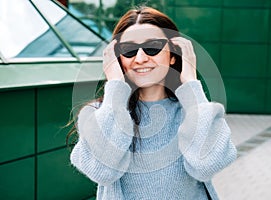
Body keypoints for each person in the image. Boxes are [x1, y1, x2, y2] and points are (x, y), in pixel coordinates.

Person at [69, 6, 236, 200]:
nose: (140, 58)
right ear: (117, 58)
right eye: (129, 50)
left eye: (152, 47)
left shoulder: (194, 111)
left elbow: (206, 166)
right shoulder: (98, 113)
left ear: (173, 55)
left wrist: (191, 83)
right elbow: (103, 172)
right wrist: (115, 86)